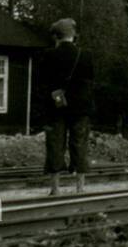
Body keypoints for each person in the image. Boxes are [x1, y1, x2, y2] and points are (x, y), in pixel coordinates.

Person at [39, 18, 95, 195]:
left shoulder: (49, 55)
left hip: (56, 107)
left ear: (56, 36)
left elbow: (42, 84)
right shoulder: (85, 56)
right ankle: (80, 188)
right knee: (79, 144)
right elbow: (91, 83)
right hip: (80, 108)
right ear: (74, 36)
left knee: (55, 144)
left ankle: (55, 189)